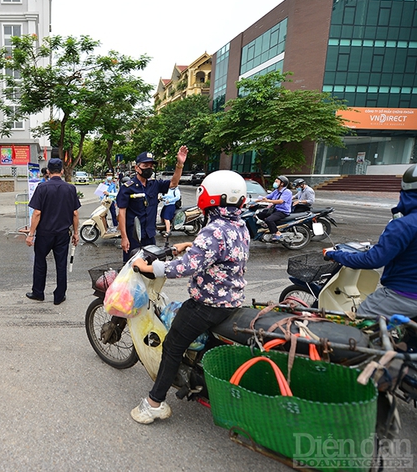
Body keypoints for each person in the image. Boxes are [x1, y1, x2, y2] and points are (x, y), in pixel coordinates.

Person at [129, 171, 250, 424]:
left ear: (212, 198)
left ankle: (154, 404)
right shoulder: (238, 225)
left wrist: (149, 268)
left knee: (172, 346)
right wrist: (189, 245)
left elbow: (184, 267)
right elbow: (215, 251)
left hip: (206, 304)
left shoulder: (214, 230)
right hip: (232, 301)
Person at [325, 164, 417, 350]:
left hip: (402, 294)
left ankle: (357, 367)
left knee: (359, 323)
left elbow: (373, 260)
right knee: (409, 339)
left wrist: (336, 255)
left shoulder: (404, 225)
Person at [25, 158, 81, 305]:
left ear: (48, 171)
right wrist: (76, 233)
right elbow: (75, 213)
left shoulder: (42, 188)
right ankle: (59, 295)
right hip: (63, 234)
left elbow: (37, 213)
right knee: (61, 264)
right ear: (62, 171)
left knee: (40, 262)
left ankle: (38, 292)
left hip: (44, 233)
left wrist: (31, 234)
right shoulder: (70, 189)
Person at [117, 147, 188, 262]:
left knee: (151, 268)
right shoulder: (127, 188)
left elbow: (173, 183)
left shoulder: (154, 184)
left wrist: (179, 164)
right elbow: (122, 213)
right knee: (131, 268)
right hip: (133, 236)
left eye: (151, 166)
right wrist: (124, 237)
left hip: (149, 235)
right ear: (137, 168)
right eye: (145, 166)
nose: (148, 169)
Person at [256, 175, 292, 241]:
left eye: (276, 181)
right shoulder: (276, 191)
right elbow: (266, 197)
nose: (274, 183)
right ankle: (265, 228)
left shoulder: (287, 192)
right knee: (258, 215)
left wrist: (268, 201)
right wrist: (254, 201)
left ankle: (277, 233)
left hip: (282, 211)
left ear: (282, 183)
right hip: (275, 209)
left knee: (269, 220)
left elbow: (280, 201)